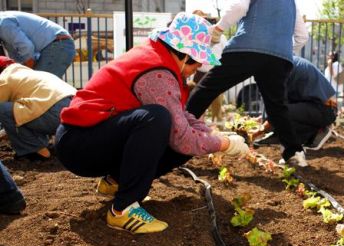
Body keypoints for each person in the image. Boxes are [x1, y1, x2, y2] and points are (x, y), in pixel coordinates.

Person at [55, 12, 249, 234]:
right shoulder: (157, 73)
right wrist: (225, 144)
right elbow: (182, 137)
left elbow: (182, 117)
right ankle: (123, 209)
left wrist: (211, 135)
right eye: (198, 61)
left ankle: (116, 182)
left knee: (175, 133)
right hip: (78, 143)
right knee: (156, 119)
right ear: (186, 55)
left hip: (91, 136)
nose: (199, 67)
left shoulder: (158, 58)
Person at [186, 0, 309, 167]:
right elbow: (302, 36)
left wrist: (218, 29)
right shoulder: (291, 3)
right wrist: (282, 52)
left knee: (207, 89)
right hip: (280, 57)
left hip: (247, 48)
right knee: (277, 106)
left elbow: (239, 7)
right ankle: (295, 152)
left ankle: (178, 134)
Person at [0, 56, 75, 161]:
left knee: (3, 109)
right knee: (24, 110)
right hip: (74, 112)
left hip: (54, 113)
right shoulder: (30, 74)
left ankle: (33, 150)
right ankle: (42, 145)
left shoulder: (3, 79)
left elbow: (6, 115)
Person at [254, 56, 337, 150]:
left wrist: (259, 130)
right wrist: (264, 119)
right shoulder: (281, 62)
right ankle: (281, 136)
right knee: (278, 115)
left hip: (326, 110)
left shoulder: (280, 70)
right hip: (315, 105)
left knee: (280, 114)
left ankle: (316, 131)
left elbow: (278, 107)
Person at [0, 11, 75, 78]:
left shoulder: (3, 25)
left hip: (57, 44)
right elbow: (16, 55)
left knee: (38, 85)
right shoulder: (4, 28)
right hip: (56, 45)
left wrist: (28, 72)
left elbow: (26, 47)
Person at [190, 10, 228, 124]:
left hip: (215, 72)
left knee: (217, 104)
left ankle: (218, 126)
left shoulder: (220, 37)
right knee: (196, 103)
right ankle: (196, 125)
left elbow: (225, 52)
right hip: (199, 72)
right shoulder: (193, 35)